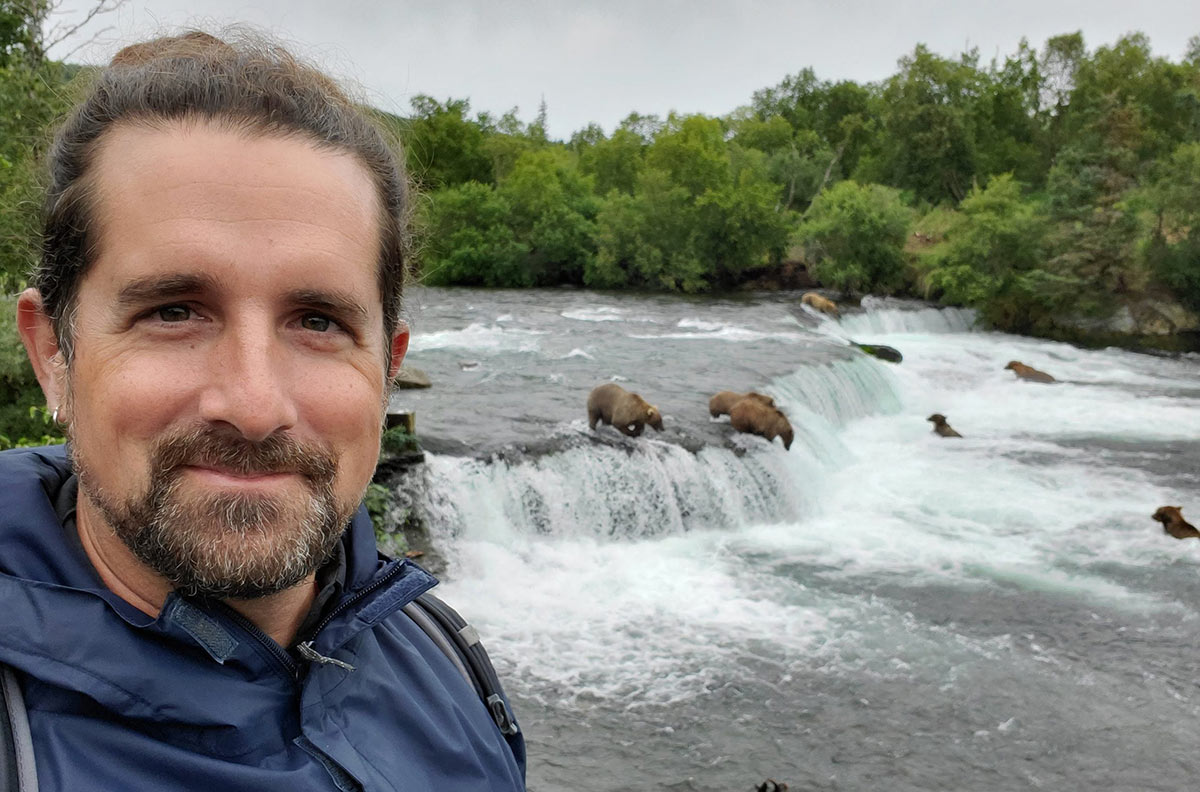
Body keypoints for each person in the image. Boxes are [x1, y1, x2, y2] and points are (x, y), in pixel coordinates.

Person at [0, 30, 525, 791]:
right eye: (175, 311)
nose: (252, 406)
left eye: (318, 322)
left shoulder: (443, 655)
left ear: (387, 368)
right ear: (54, 352)